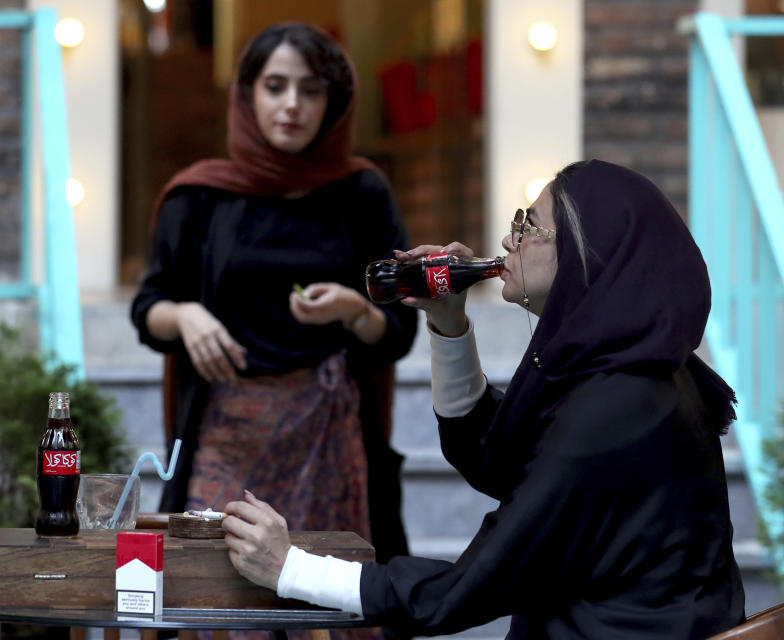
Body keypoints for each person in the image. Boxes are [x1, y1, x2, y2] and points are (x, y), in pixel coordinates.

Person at [221, 160, 746, 639]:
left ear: (590, 255)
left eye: (527, 225)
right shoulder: (622, 372)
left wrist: (292, 568)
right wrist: (449, 323)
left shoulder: (618, 405)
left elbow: (464, 590)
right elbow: (499, 462)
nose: (506, 238)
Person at [130, 23, 417, 567]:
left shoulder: (362, 193)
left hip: (329, 431)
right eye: (275, 86)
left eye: (311, 91)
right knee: (216, 588)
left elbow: (398, 332)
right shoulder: (199, 195)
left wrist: (354, 309)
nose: (292, 105)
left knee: (326, 597)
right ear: (246, 94)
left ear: (334, 101)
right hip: (224, 429)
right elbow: (148, 311)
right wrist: (188, 315)